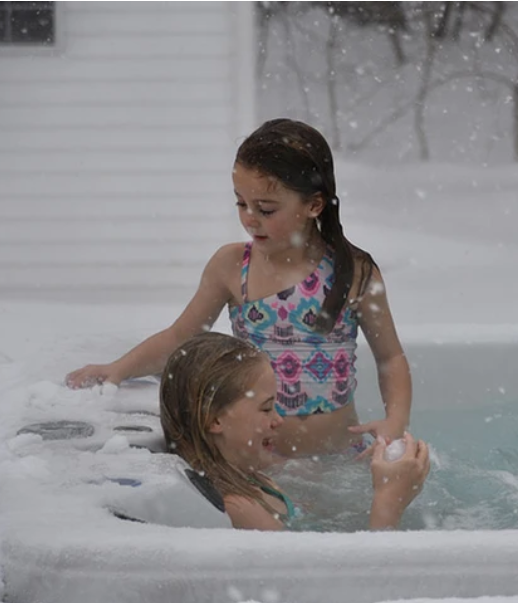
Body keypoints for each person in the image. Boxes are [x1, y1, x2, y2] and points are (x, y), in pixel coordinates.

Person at [66, 118, 411, 457]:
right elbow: (180, 338)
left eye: (265, 208)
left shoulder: (353, 271)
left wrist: (394, 421)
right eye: (241, 203)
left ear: (313, 205)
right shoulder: (233, 267)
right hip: (260, 461)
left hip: (337, 456)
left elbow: (390, 357)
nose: (249, 217)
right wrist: (118, 370)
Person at [160, 332, 429, 530]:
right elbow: (328, 587)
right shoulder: (240, 508)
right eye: (266, 409)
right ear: (214, 419)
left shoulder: (250, 478)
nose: (278, 420)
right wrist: (388, 501)